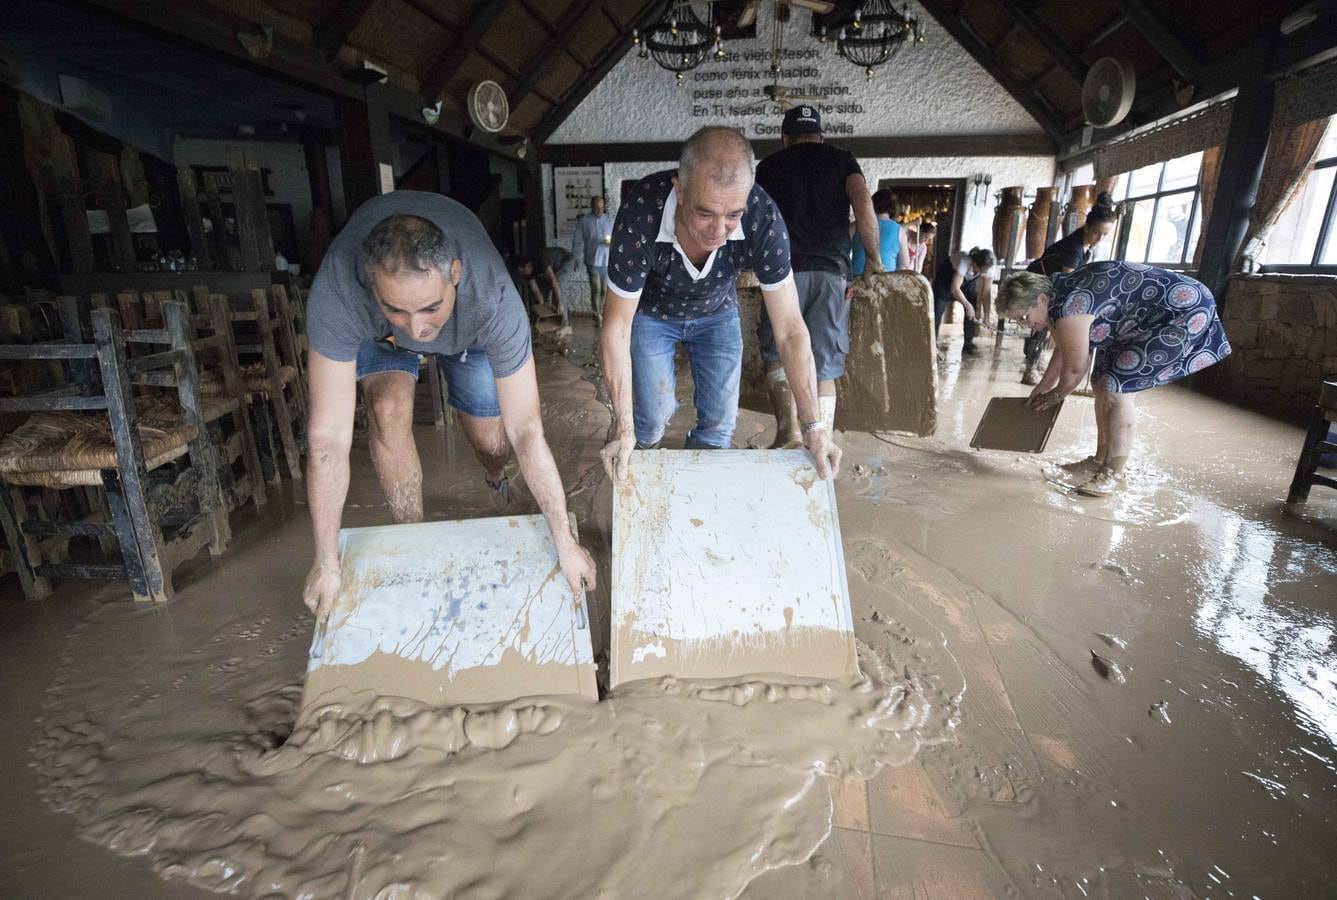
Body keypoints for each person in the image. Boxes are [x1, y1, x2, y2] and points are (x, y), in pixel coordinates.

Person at [302, 191, 596, 618]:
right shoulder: (339, 291)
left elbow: (527, 430)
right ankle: (418, 542)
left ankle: (495, 477)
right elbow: (327, 439)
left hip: (468, 330)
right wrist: (326, 563)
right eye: (399, 309)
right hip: (376, 334)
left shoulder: (494, 298)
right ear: (370, 281)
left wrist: (565, 544)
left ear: (454, 273)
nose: (417, 328)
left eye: (429, 307)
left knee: (493, 442)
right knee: (388, 411)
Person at [599, 125, 840, 480]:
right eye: (705, 213)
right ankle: (634, 481)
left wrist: (814, 427)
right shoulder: (641, 215)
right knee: (648, 422)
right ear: (679, 189)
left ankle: (697, 507)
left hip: (717, 313)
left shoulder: (763, 218)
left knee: (719, 427)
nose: (718, 230)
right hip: (653, 315)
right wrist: (622, 427)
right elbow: (616, 327)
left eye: (733, 216)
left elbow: (789, 329)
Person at [998, 262, 1231, 497]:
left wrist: (1057, 394)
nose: (1025, 325)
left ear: (1040, 299)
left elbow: (1076, 369)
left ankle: (1114, 472)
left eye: (1024, 317)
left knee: (1116, 386)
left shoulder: (1070, 307)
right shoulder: (1057, 297)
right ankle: (1100, 460)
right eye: (1017, 321)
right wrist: (1042, 389)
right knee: (1100, 382)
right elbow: (1065, 348)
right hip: (1137, 321)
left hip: (1181, 312)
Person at [754, 105, 884, 447]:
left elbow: (753, 217)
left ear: (785, 138)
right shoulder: (842, 160)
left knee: (778, 349)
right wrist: (873, 258)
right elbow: (863, 205)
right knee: (823, 360)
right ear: (821, 136)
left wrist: (749, 266)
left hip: (780, 274)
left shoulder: (768, 166)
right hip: (832, 272)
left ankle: (789, 433)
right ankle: (820, 440)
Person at [1021, 192, 1117, 385]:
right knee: (1039, 324)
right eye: (1097, 232)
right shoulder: (1073, 248)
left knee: (1048, 324)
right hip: (1036, 284)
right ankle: (1030, 368)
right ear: (1087, 226)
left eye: (1105, 234)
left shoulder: (1085, 245)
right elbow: (1069, 283)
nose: (1100, 238)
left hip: (1047, 286)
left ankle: (1036, 360)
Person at [930, 247, 995, 355]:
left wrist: (987, 316)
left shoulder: (988, 269)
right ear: (975, 264)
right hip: (946, 279)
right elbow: (954, 289)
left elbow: (986, 293)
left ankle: (968, 343)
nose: (983, 274)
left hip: (967, 283)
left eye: (985, 272)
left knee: (972, 308)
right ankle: (932, 344)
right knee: (937, 311)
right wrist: (967, 305)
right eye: (981, 271)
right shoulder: (964, 261)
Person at [571, 195, 613, 325]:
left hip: (606, 261)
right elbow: (577, 241)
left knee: (604, 290)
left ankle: (600, 311)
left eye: (601, 208)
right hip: (592, 260)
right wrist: (575, 258)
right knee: (596, 288)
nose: (598, 211)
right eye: (596, 208)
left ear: (604, 207)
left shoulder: (610, 220)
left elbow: (617, 238)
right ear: (591, 207)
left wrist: (611, 243)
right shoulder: (584, 221)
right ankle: (597, 313)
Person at [851, 189, 912, 276]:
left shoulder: (856, 225)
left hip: (856, 281)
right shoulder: (899, 231)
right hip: (884, 284)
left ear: (872, 204)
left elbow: (840, 251)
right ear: (893, 208)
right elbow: (904, 265)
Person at [515, 247, 570, 327]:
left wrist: (559, 303)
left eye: (523, 271)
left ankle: (564, 325)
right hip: (553, 266)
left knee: (558, 286)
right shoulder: (527, 272)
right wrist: (542, 309)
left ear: (528, 265)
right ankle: (549, 319)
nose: (524, 274)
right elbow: (536, 291)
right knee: (544, 288)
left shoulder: (541, 261)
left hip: (566, 260)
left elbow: (553, 280)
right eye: (521, 273)